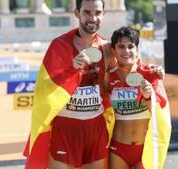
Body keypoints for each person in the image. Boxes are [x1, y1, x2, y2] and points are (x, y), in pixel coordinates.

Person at [23, 0, 115, 169]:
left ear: (104, 15)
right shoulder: (59, 45)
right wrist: (72, 68)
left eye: (97, 13)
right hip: (66, 127)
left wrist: (151, 72)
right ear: (77, 13)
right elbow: (45, 88)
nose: (93, 18)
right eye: (87, 12)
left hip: (96, 128)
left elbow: (120, 81)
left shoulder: (108, 49)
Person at [106, 26, 171, 169]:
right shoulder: (108, 77)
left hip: (144, 149)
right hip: (118, 149)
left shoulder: (151, 73)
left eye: (131, 46)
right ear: (113, 50)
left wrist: (149, 96)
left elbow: (161, 109)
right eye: (121, 47)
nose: (126, 51)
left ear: (137, 49)